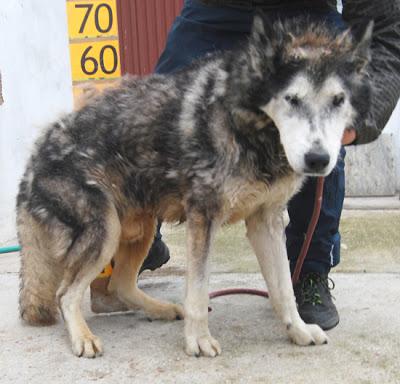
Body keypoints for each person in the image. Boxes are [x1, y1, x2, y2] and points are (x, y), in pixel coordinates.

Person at [91, 0, 400, 330]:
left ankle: (310, 271)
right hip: (214, 9)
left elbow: (386, 30)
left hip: (307, 13)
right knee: (159, 115)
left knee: (319, 141)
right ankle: (141, 240)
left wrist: (356, 122)